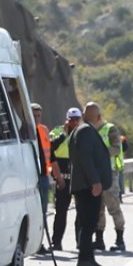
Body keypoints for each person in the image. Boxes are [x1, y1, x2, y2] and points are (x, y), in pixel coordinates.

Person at [69, 103, 114, 266]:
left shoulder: (80, 130)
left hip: (85, 185)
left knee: (89, 223)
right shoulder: (86, 131)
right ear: (98, 116)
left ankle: (89, 259)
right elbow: (86, 158)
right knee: (88, 224)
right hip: (87, 186)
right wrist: (95, 181)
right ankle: (84, 261)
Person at [85, 102, 126, 252]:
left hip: (110, 173)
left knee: (113, 206)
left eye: (91, 119)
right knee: (98, 208)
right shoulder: (88, 130)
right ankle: (99, 240)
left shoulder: (110, 129)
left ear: (99, 117)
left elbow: (116, 148)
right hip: (95, 175)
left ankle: (120, 240)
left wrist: (99, 153)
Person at [47, 107, 82, 251]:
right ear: (66, 120)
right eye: (71, 120)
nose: (73, 123)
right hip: (62, 177)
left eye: (76, 120)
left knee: (81, 211)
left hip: (79, 176)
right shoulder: (56, 132)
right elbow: (50, 149)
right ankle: (57, 242)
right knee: (61, 211)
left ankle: (81, 241)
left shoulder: (84, 133)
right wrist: (64, 135)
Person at [32, 104, 54, 254]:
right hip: (30, 178)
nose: (36, 118)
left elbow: (50, 154)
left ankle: (40, 243)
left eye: (38, 115)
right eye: (33, 115)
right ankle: (35, 244)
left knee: (43, 211)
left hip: (44, 176)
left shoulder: (44, 130)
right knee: (34, 212)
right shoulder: (23, 131)